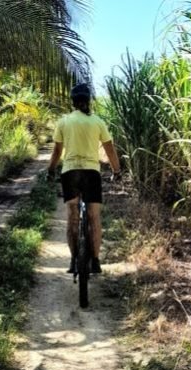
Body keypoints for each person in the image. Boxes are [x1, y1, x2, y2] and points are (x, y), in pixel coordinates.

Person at [48, 83, 122, 274]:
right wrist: (116, 170)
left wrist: (50, 170)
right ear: (88, 101)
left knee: (72, 216)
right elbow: (109, 148)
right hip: (91, 173)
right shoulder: (97, 121)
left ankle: (73, 261)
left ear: (73, 102)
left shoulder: (64, 121)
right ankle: (96, 261)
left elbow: (57, 151)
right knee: (94, 216)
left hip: (70, 172)